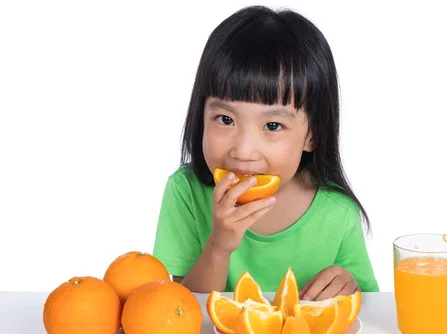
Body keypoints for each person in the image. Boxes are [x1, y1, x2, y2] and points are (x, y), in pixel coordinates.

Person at [153, 5, 379, 300]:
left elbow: (368, 304)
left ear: (313, 134)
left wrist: (349, 286)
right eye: (225, 120)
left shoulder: (338, 211)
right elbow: (180, 308)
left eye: (273, 125)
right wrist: (219, 247)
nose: (244, 151)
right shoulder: (186, 191)